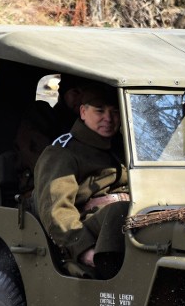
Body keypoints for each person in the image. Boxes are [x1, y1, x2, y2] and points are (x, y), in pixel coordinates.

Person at [34, 83, 129, 279]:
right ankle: (109, 275)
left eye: (115, 111)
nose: (109, 119)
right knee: (119, 211)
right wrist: (83, 248)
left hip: (128, 217)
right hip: (90, 229)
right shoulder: (63, 152)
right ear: (83, 112)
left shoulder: (124, 147)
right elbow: (56, 209)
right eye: (99, 111)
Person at [15, 74, 86, 195]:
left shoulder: (89, 120)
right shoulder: (40, 115)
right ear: (62, 91)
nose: (80, 99)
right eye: (75, 92)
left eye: (85, 93)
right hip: (40, 186)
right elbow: (39, 158)